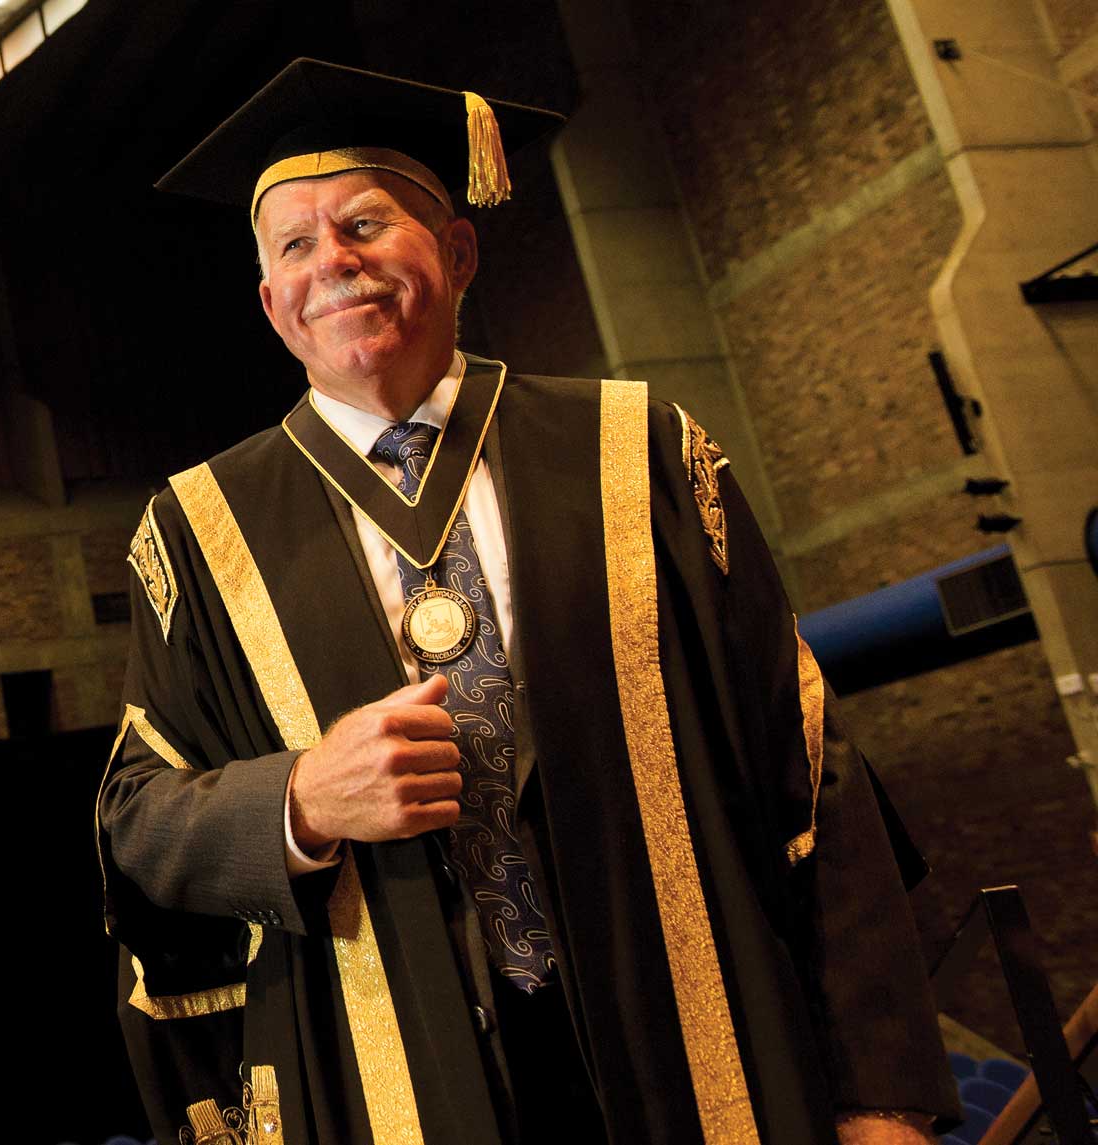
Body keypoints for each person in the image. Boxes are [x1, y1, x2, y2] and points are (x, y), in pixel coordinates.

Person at [95, 59, 961, 1145]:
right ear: (270, 302)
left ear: (457, 251)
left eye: (367, 221)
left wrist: (880, 1094)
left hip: (694, 1043)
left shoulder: (638, 450)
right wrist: (300, 799)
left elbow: (807, 768)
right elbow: (136, 817)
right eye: (296, 245)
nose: (336, 263)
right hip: (395, 1078)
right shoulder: (197, 526)